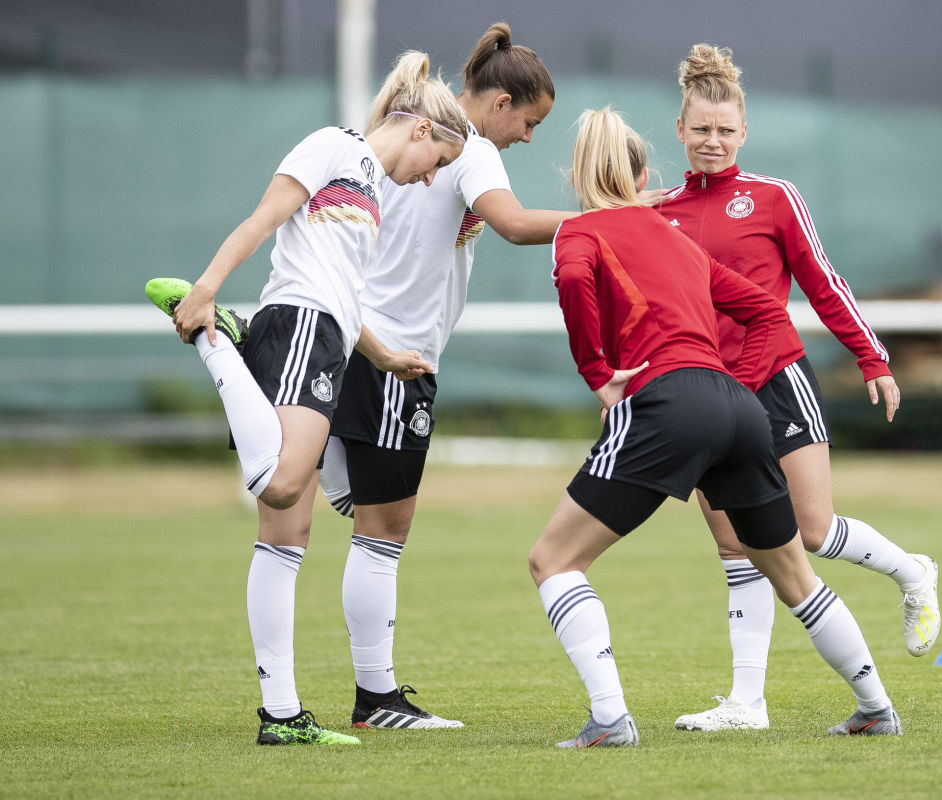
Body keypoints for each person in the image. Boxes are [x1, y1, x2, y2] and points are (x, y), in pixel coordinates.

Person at [529, 107, 903, 749]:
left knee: (554, 560)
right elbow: (767, 310)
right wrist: (742, 385)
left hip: (668, 402)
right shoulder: (675, 238)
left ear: (576, 175)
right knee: (793, 573)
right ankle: (876, 707)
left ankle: (611, 720)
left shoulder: (579, 231)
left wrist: (599, 374)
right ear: (644, 172)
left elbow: (571, 280)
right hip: (738, 407)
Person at [144, 50, 469, 746]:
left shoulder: (373, 191)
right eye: (438, 160)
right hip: (296, 326)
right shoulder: (331, 147)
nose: (432, 176)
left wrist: (381, 355)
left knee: (286, 534)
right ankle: (219, 342)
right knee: (287, 485)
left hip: (329, 336)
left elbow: (348, 295)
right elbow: (265, 219)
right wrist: (206, 290)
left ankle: (282, 716)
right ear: (417, 130)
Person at [651, 44, 941, 733]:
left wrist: (874, 359)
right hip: (708, 396)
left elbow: (823, 282)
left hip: (776, 380)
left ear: (744, 133)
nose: (712, 141)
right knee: (737, 547)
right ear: (680, 131)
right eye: (700, 129)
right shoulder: (658, 211)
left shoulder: (775, 198)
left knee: (810, 531)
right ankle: (746, 704)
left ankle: (911, 572)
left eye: (725, 130)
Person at [315, 23, 575, 731]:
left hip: (347, 343)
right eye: (530, 120)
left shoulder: (401, 127)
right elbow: (516, 225)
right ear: (496, 102)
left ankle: (305, 450)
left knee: (345, 521)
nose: (527, 136)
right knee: (382, 533)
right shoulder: (473, 148)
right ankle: (377, 700)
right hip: (395, 362)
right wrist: (611, 219)